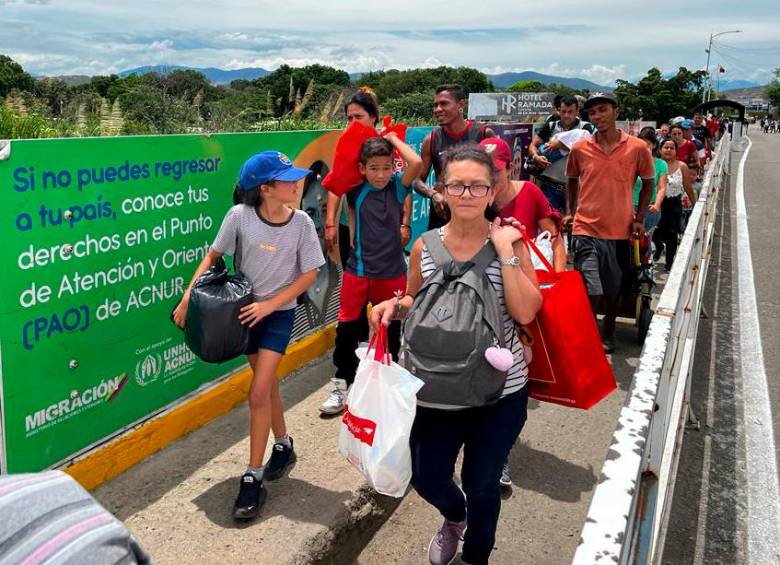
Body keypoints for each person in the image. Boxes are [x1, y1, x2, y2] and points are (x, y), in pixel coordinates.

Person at [372, 145, 542, 565]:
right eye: (456, 185)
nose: (466, 194)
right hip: (436, 385)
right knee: (428, 476)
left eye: (477, 186)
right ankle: (455, 516)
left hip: (499, 392)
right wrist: (394, 306)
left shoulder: (512, 241)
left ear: (492, 190)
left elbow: (525, 310)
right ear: (443, 191)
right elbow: (416, 296)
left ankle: (476, 555)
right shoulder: (424, 246)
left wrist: (505, 253)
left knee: (483, 483)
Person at [172, 151, 325, 520]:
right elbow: (212, 258)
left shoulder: (302, 222)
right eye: (288, 179)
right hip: (242, 313)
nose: (296, 183)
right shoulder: (239, 216)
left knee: (258, 391)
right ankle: (284, 445)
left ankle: (253, 476)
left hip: (277, 315)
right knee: (266, 383)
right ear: (266, 189)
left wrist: (271, 305)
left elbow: (309, 276)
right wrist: (189, 296)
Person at [480, 136, 564, 488]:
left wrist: (555, 283)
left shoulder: (529, 193)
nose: (489, 179)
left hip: (520, 302)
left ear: (508, 166)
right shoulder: (472, 197)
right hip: (483, 305)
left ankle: (499, 457)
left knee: (513, 387)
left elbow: (554, 236)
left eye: (495, 171)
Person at [320, 133, 423, 415]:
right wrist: (330, 224)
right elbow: (334, 184)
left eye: (386, 167)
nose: (380, 174)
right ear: (362, 169)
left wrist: (391, 138)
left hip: (391, 273)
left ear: (394, 167)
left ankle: (385, 386)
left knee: (390, 332)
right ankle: (342, 383)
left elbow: (415, 161)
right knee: (347, 330)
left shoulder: (397, 188)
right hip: (358, 270)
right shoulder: (357, 190)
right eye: (373, 168)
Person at [564, 92, 655, 353]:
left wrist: (639, 218)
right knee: (592, 288)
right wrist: (571, 211)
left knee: (614, 290)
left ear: (616, 111)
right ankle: (592, 331)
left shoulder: (637, 147)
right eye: (592, 112)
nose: (598, 116)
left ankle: (610, 329)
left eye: (603, 110)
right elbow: (571, 178)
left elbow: (648, 182)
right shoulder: (580, 148)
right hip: (585, 228)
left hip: (619, 231)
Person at [415, 84, 494, 230]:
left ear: (461, 104)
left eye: (444, 104)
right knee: (435, 252)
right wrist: (433, 195)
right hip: (442, 214)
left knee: (480, 252)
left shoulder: (483, 134)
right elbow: (417, 180)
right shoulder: (431, 139)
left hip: (477, 213)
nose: (438, 109)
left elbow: (496, 176)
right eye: (435, 105)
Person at [528, 94, 595, 213]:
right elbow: (533, 145)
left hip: (575, 189)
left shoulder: (586, 128)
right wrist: (536, 157)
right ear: (558, 110)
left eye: (570, 111)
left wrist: (561, 145)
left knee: (573, 227)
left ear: (577, 111)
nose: (566, 115)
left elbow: (591, 150)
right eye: (563, 111)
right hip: (549, 187)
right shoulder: (551, 126)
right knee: (548, 225)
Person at [652, 137, 698, 271]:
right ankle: (659, 247)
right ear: (660, 150)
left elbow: (688, 187)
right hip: (657, 204)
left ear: (676, 151)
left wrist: (695, 203)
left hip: (674, 205)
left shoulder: (682, 166)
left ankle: (669, 262)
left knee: (672, 234)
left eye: (672, 148)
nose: (668, 150)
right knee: (656, 233)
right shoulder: (656, 164)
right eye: (666, 147)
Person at [635, 127, 667, 234]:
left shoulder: (661, 164)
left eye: (648, 144)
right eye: (641, 143)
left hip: (649, 208)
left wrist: (657, 205)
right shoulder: (632, 162)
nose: (645, 147)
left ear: (654, 145)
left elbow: (662, 187)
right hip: (630, 207)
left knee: (644, 240)